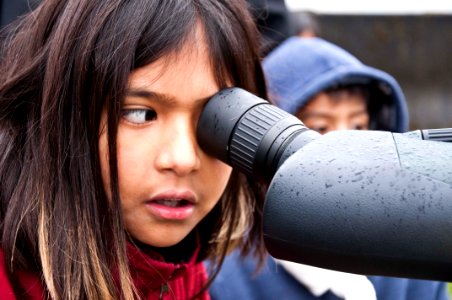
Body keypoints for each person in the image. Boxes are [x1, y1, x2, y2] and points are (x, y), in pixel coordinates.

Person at [0, 0, 268, 299]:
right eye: (140, 114)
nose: (183, 159)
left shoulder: (181, 266)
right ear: (57, 115)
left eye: (213, 120)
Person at [209, 37, 449, 300]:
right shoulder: (226, 274)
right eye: (320, 129)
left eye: (358, 126)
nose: (346, 145)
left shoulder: (412, 249)